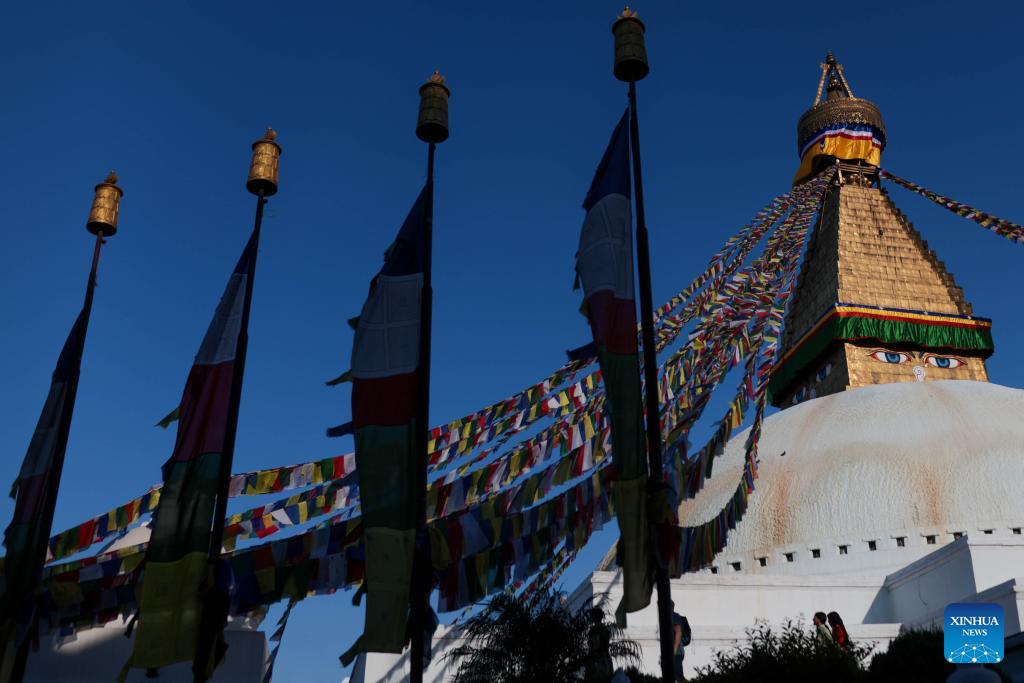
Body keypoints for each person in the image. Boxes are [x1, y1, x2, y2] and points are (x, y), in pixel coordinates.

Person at [671, 609, 691, 682]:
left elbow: (678, 631)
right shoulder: (667, 616)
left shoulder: (673, 616)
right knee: (675, 677)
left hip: (676, 653)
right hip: (676, 652)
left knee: (679, 677)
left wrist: (674, 651)